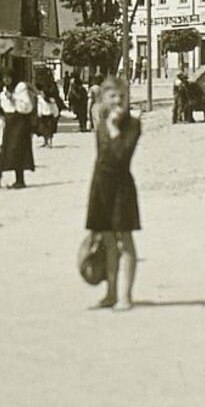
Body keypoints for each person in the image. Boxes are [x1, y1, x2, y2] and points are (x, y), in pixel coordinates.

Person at [84, 78, 141, 310]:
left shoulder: (133, 125)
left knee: (125, 240)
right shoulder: (101, 124)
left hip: (121, 188)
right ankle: (110, 294)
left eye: (122, 96)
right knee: (107, 240)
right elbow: (101, 158)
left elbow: (122, 156)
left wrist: (116, 130)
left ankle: (125, 296)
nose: (118, 100)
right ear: (103, 99)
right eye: (112, 96)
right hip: (101, 186)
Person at [0, 78, 36, 189]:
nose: (6, 80)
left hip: (20, 122)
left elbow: (27, 107)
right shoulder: (3, 91)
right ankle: (16, 179)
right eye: (4, 78)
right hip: (10, 122)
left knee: (18, 148)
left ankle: (20, 179)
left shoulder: (20, 89)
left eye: (8, 77)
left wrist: (13, 99)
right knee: (10, 150)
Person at [36, 81, 61, 148]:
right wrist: (39, 113)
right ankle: (45, 142)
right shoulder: (40, 99)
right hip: (43, 116)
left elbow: (54, 108)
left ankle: (50, 142)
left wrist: (56, 114)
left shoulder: (51, 100)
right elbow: (39, 107)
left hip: (50, 116)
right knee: (43, 130)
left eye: (42, 93)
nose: (41, 94)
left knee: (49, 130)